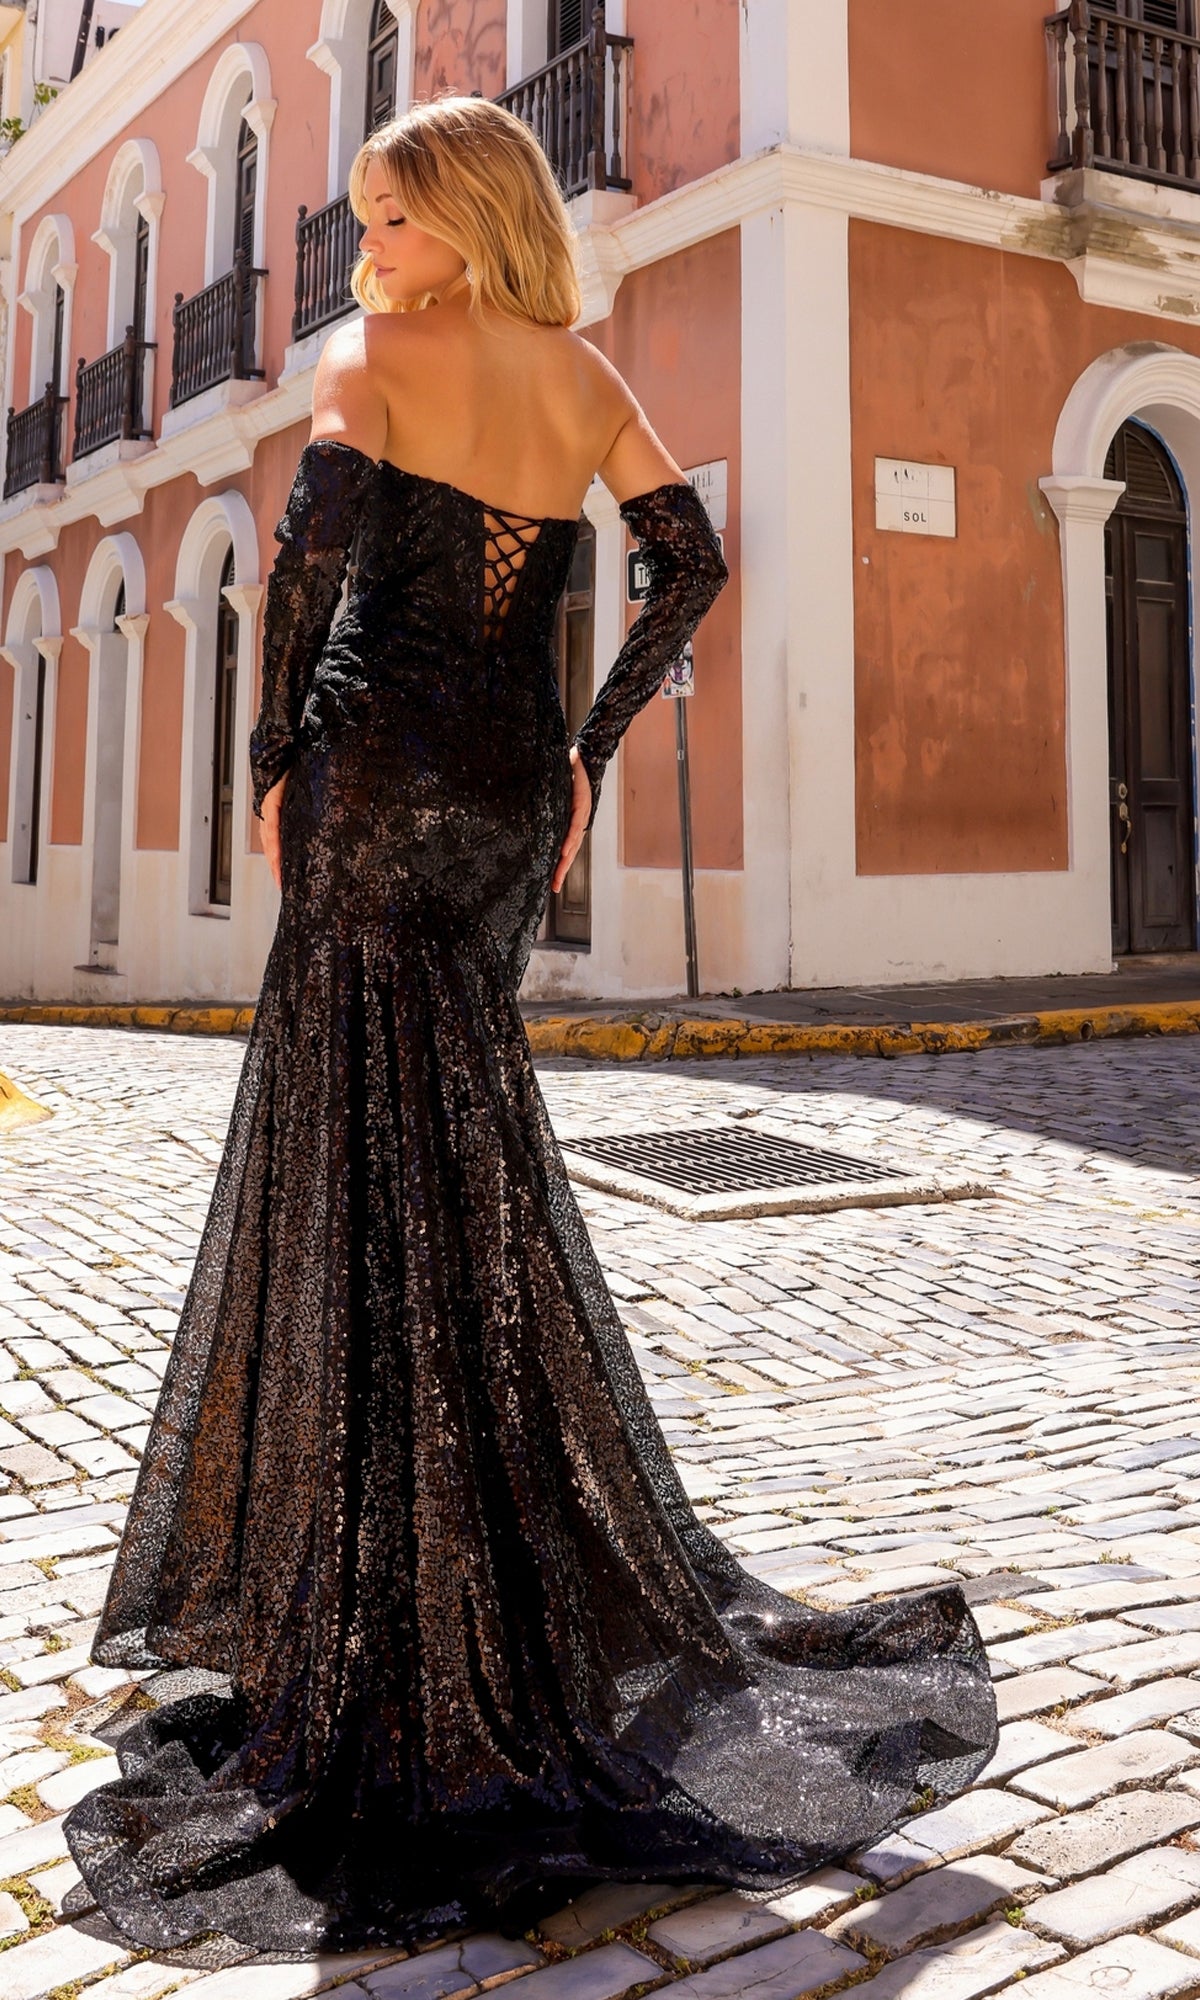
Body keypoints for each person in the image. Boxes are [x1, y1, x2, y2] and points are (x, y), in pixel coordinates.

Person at [64, 96, 996, 1956]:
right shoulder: (577, 374)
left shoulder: (370, 357)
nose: (360, 249)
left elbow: (318, 580)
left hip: (377, 778)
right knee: (460, 1142)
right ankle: (491, 1565)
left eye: (385, 214)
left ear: (460, 218)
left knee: (350, 1151)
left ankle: (390, 1610)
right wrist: (582, 744)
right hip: (505, 788)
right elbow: (692, 562)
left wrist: (272, 765)